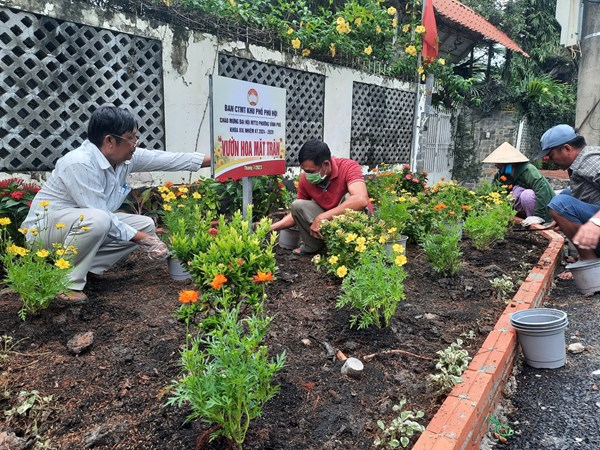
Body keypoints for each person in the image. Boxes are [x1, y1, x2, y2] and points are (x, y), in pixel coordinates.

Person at [21, 105, 210, 303]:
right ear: (110, 140)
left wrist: (218, 158)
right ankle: (66, 284)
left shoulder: (124, 159)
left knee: (144, 224)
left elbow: (167, 159)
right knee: (100, 220)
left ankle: (88, 269)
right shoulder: (79, 163)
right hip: (43, 233)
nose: (135, 143)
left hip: (78, 226)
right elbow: (99, 213)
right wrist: (146, 240)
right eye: (131, 137)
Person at [270, 139, 371, 254]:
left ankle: (352, 248)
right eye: (304, 170)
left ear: (326, 165)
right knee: (297, 205)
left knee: (350, 197)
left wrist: (322, 217)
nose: (307, 174)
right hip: (330, 218)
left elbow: (361, 199)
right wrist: (271, 227)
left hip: (351, 223)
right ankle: (313, 246)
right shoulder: (306, 179)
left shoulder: (348, 167)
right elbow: (296, 212)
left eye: (310, 171)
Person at [534, 124, 600, 278]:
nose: (547, 159)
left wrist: (595, 222)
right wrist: (566, 217)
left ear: (567, 148)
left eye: (550, 154)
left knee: (560, 204)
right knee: (565, 195)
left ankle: (590, 265)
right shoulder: (582, 161)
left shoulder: (591, 162)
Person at [482, 142, 555, 226]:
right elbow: (495, 192)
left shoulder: (529, 170)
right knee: (515, 192)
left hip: (544, 209)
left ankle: (537, 222)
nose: (496, 165)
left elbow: (542, 190)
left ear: (507, 163)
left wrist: (539, 215)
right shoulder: (502, 175)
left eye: (498, 163)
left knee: (527, 195)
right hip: (522, 211)